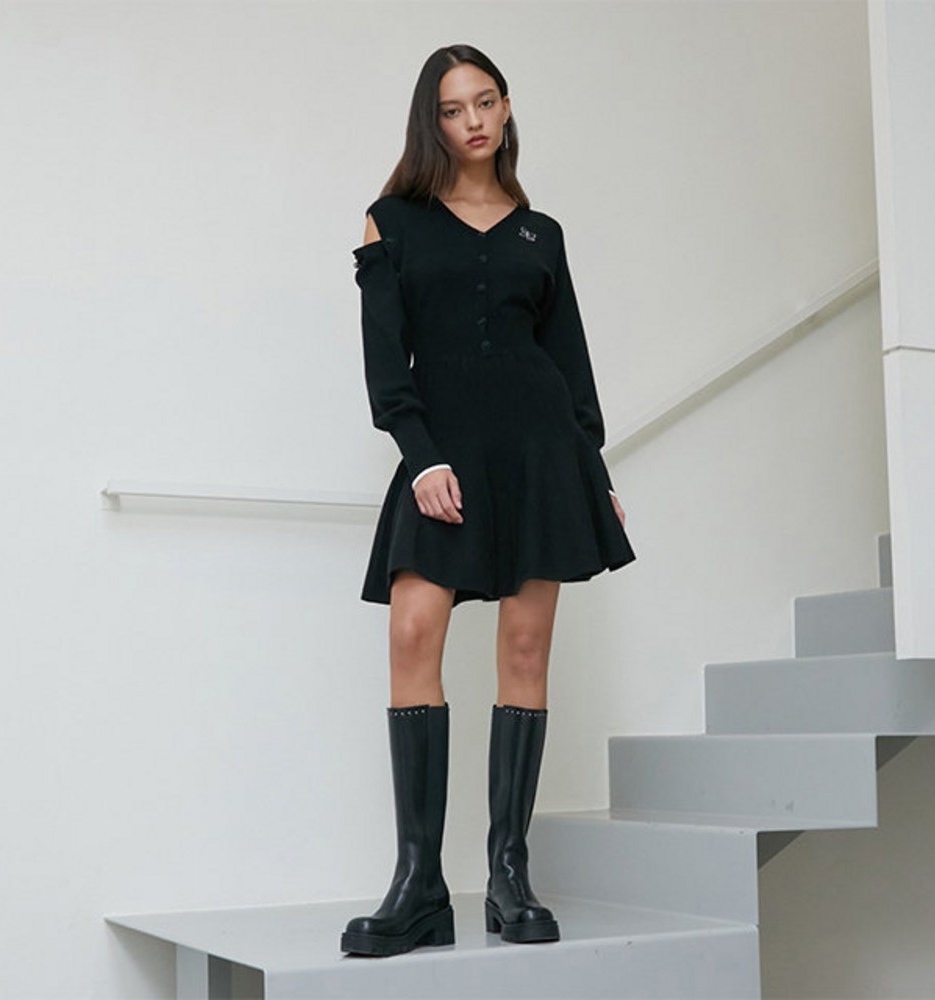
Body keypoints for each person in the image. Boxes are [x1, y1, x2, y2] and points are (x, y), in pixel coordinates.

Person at [340, 44, 636, 958]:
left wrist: (595, 474)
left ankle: (509, 874)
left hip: (542, 453)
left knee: (524, 648)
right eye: (452, 107)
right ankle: (419, 885)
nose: (471, 120)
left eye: (485, 101)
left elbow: (570, 361)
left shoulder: (541, 233)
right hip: (444, 451)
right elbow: (387, 361)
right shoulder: (392, 221)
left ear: (506, 110)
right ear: (430, 121)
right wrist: (420, 457)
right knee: (413, 630)